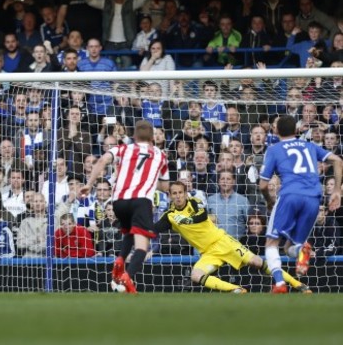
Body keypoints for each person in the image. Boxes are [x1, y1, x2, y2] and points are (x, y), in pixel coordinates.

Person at [154, 182, 311, 293]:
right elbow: (153, 229)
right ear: (170, 196)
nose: (178, 196)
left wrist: (186, 220)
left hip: (223, 242)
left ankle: (298, 285)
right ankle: (236, 290)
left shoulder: (194, 203)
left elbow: (201, 217)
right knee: (196, 275)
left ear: (186, 193)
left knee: (256, 262)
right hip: (208, 253)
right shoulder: (170, 216)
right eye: (174, 193)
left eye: (181, 192)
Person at [80, 120, 169, 294]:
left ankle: (120, 260)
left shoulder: (124, 149)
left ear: (134, 136)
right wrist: (148, 179)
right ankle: (127, 278)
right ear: (152, 138)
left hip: (118, 202)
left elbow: (102, 160)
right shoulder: (161, 155)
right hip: (141, 201)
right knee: (142, 246)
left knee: (129, 232)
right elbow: (165, 188)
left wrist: (89, 184)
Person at [259, 115, 343, 293]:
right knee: (289, 247)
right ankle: (301, 249)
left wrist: (269, 201)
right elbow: (338, 160)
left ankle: (280, 284)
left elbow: (263, 185)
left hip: (290, 195)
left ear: (275, 131)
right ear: (296, 131)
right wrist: (337, 190)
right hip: (313, 198)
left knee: (271, 243)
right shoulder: (310, 145)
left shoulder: (274, 149)